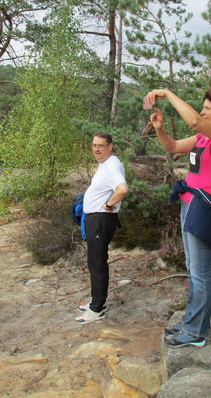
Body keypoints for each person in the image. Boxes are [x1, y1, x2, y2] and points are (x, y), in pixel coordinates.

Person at [146, 89, 211, 348]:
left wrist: (167, 93)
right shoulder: (202, 138)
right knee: (192, 267)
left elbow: (195, 121)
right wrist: (159, 128)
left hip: (204, 207)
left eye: (208, 107)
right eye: (203, 107)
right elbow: (173, 148)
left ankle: (196, 332)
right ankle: (190, 323)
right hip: (189, 203)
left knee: (200, 273)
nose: (203, 111)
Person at [76, 133, 129, 324]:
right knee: (94, 261)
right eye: (94, 145)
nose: (96, 149)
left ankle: (97, 309)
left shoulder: (112, 165)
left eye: (101, 145)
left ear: (110, 146)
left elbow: (122, 189)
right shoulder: (105, 165)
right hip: (95, 219)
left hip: (101, 219)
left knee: (97, 263)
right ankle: (97, 301)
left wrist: (108, 205)